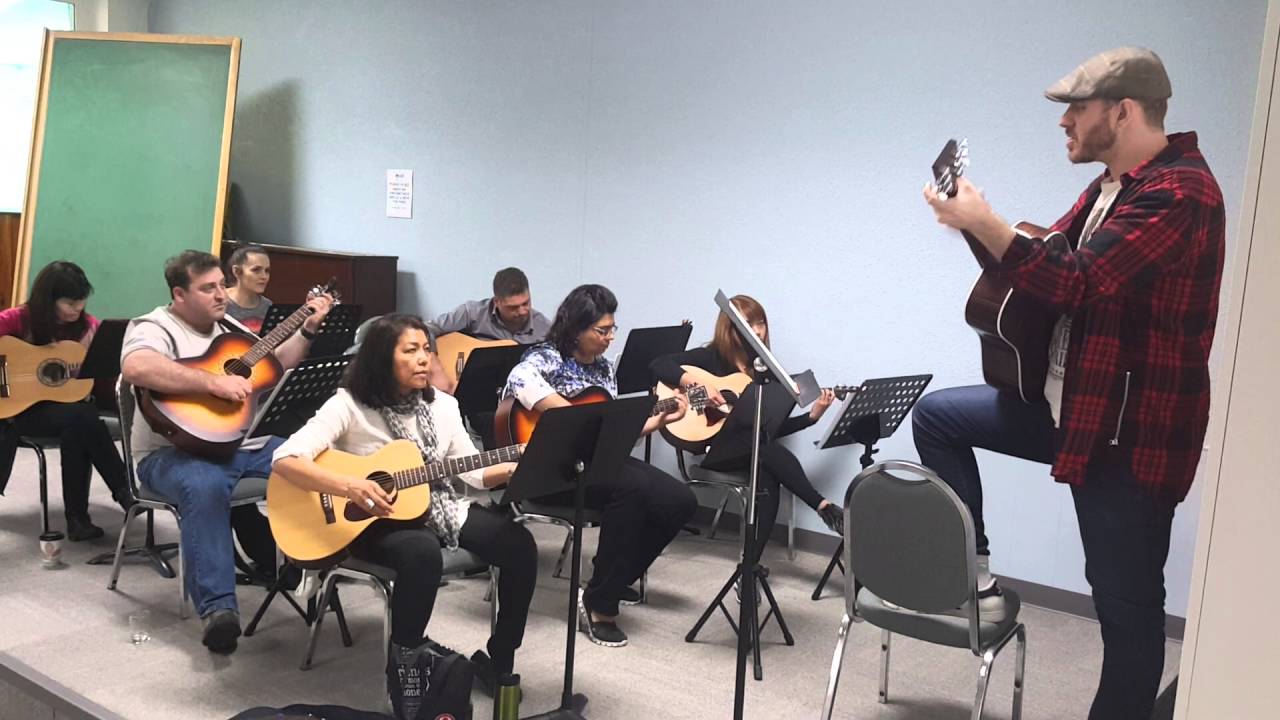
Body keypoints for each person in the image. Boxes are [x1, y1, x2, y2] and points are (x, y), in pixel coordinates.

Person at [916, 48, 1224, 719]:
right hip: (1074, 411)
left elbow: (1076, 281)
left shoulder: (1181, 194)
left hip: (1129, 441)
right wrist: (976, 226)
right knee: (939, 417)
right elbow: (1041, 266)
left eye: (1075, 110)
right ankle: (976, 578)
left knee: (1125, 610)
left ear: (1123, 109)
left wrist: (984, 222)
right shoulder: (1112, 186)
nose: (1064, 125)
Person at [272, 314, 536, 698]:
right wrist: (349, 484)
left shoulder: (443, 406)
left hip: (439, 506)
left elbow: (473, 473)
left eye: (427, 349)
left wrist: (508, 470)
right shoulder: (350, 405)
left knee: (519, 545)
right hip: (366, 520)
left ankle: (499, 661)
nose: (424, 359)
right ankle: (407, 663)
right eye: (410, 351)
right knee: (422, 552)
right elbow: (285, 458)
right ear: (381, 358)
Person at [120, 250, 333, 654]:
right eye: (208, 288)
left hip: (234, 444)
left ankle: (317, 567)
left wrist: (305, 331)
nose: (221, 294)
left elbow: (271, 368)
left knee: (307, 459)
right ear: (179, 294)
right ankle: (219, 612)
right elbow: (137, 367)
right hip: (167, 455)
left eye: (221, 284)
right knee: (206, 484)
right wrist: (211, 384)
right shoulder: (154, 326)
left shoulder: (228, 326)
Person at [503, 284, 696, 647]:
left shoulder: (606, 369)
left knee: (679, 500)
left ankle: (615, 577)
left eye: (612, 330)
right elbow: (519, 380)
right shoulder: (547, 357)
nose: (609, 338)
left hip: (597, 462)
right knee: (633, 488)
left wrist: (659, 420)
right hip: (553, 469)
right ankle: (598, 605)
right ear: (577, 329)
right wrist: (572, 417)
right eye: (602, 331)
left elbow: (614, 433)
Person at [650, 294, 842, 568]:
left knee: (765, 469)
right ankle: (822, 505)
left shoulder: (765, 372)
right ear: (730, 328)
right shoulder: (710, 357)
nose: (757, 330)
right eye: (749, 323)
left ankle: (748, 568)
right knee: (762, 450)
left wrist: (810, 419)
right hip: (712, 449)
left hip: (751, 450)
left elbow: (771, 427)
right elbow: (658, 364)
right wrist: (693, 383)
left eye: (760, 322)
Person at [0, 261, 130, 540]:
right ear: (49, 300)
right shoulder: (16, 320)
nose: (77, 309)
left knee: (79, 421)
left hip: (67, 413)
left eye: (81, 301)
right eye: (70, 302)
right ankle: (124, 492)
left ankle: (79, 520)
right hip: (18, 413)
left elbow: (102, 382)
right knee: (82, 417)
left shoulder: (89, 330)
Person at [429, 267, 551, 344]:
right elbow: (425, 329)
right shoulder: (472, 313)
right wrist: (435, 363)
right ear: (497, 302)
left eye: (526, 303)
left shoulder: (545, 328)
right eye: (513, 307)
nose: (522, 311)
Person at [224, 244, 272, 333]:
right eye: (256, 270)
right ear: (236, 271)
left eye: (267, 271)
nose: (264, 276)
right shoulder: (218, 301)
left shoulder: (268, 306)